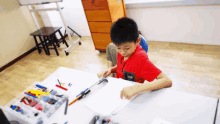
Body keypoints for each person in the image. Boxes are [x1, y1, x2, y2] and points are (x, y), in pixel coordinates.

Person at [97, 17, 172, 100]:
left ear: (137, 41)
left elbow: (167, 81)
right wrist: (111, 69)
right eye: (118, 48)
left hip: (131, 95)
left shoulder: (140, 59)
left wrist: (138, 88)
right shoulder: (123, 52)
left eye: (127, 48)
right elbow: (122, 67)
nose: (122, 52)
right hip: (118, 87)